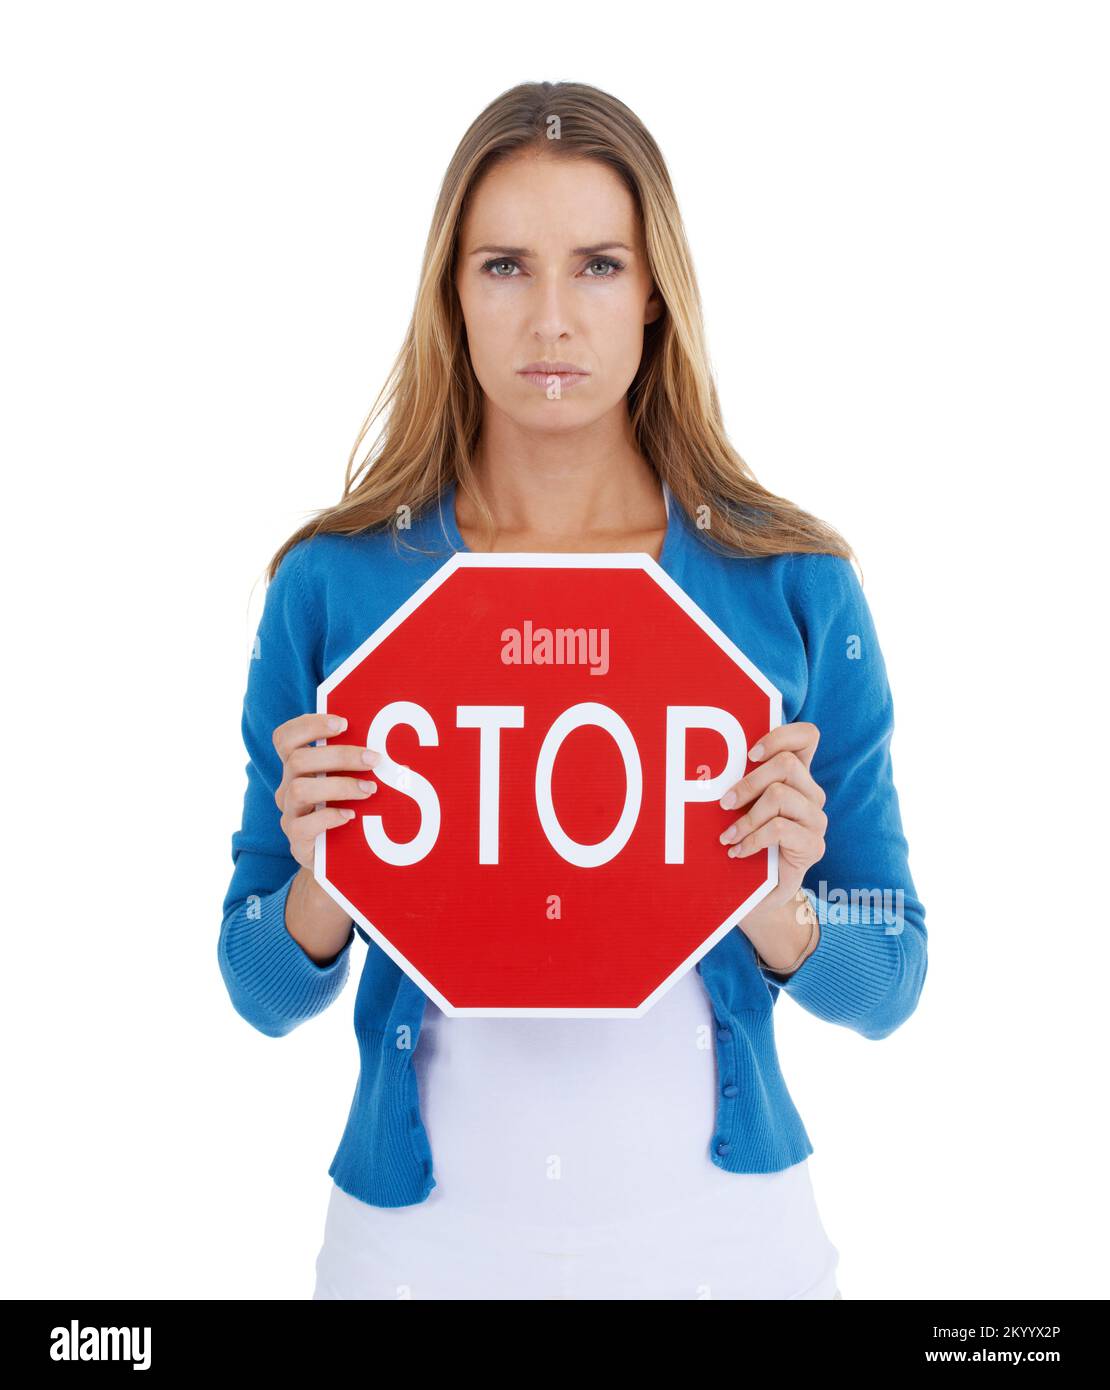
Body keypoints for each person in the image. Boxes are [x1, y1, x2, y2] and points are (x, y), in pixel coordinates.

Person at [218, 80, 927, 1301]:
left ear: (656, 291)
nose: (552, 318)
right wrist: (328, 885)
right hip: (411, 1255)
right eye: (504, 266)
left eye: (598, 265)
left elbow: (894, 971)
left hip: (725, 1249)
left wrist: (778, 906)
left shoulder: (794, 585)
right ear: (453, 288)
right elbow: (256, 976)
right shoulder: (332, 586)